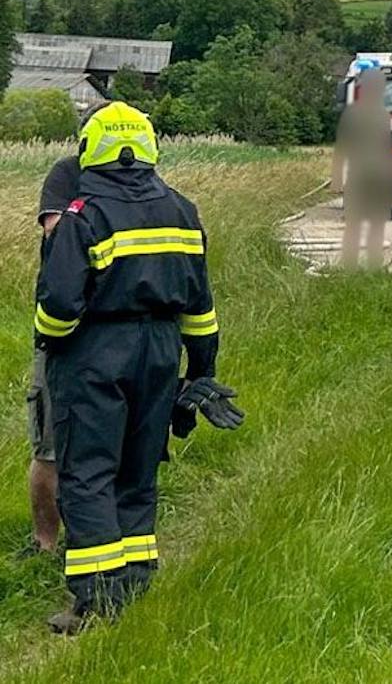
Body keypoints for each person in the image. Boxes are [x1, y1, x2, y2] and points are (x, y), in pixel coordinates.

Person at [34, 103, 244, 633]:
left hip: (94, 352)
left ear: (92, 148)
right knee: (136, 473)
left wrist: (52, 345)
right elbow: (201, 309)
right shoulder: (183, 209)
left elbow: (58, 307)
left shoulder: (84, 214)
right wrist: (199, 374)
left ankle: (94, 601)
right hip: (162, 351)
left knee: (88, 475)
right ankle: (133, 588)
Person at [23, 155, 81, 556]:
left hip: (119, 335)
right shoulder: (67, 173)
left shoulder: (142, 179)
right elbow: (55, 233)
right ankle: (44, 543)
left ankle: (100, 544)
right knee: (50, 448)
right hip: (60, 332)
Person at [331, 66, 392, 269]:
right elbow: (341, 146)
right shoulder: (353, 115)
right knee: (354, 224)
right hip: (358, 176)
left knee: (377, 224)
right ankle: (350, 267)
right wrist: (336, 178)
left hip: (380, 177)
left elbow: (387, 149)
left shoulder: (383, 115)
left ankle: (374, 267)